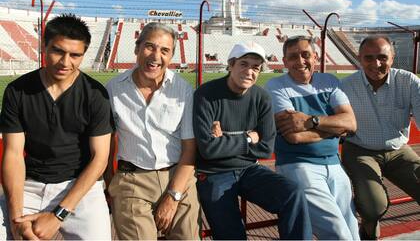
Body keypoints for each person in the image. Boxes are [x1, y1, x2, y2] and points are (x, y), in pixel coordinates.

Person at [0, 14, 114, 240]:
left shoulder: (95, 95)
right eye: (58, 51)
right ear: (44, 47)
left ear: (84, 55)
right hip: (30, 183)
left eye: (75, 55)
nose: (65, 62)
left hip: (81, 186)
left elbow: (100, 159)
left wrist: (58, 215)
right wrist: (16, 220)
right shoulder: (17, 91)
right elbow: (13, 154)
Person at [193, 41, 312, 240]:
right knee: (231, 233)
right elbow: (208, 150)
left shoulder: (262, 97)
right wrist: (248, 137)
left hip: (250, 169)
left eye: (255, 67)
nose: (250, 71)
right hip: (214, 173)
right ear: (231, 65)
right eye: (244, 64)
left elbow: (266, 148)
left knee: (292, 193)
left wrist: (225, 142)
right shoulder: (206, 94)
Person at [105, 22, 200, 240]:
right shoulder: (113, 88)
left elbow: (189, 148)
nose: (156, 56)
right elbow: (107, 141)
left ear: (171, 55)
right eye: (150, 46)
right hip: (132, 179)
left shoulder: (183, 89)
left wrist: (173, 196)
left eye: (164, 50)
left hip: (179, 178)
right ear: (137, 49)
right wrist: (111, 184)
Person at [265, 35, 360, 240]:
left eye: (305, 55)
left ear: (315, 57)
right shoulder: (276, 86)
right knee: (338, 234)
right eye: (293, 57)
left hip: (335, 164)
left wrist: (312, 121)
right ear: (285, 62)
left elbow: (351, 124)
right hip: (298, 165)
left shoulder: (330, 81)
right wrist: (335, 129)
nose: (300, 61)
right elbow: (294, 137)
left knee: (353, 230)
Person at [340, 35, 420, 240]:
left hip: (398, 150)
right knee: (374, 207)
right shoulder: (346, 86)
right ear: (359, 58)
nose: (376, 64)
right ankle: (368, 230)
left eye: (382, 57)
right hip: (360, 149)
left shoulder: (409, 81)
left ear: (392, 58)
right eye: (368, 58)